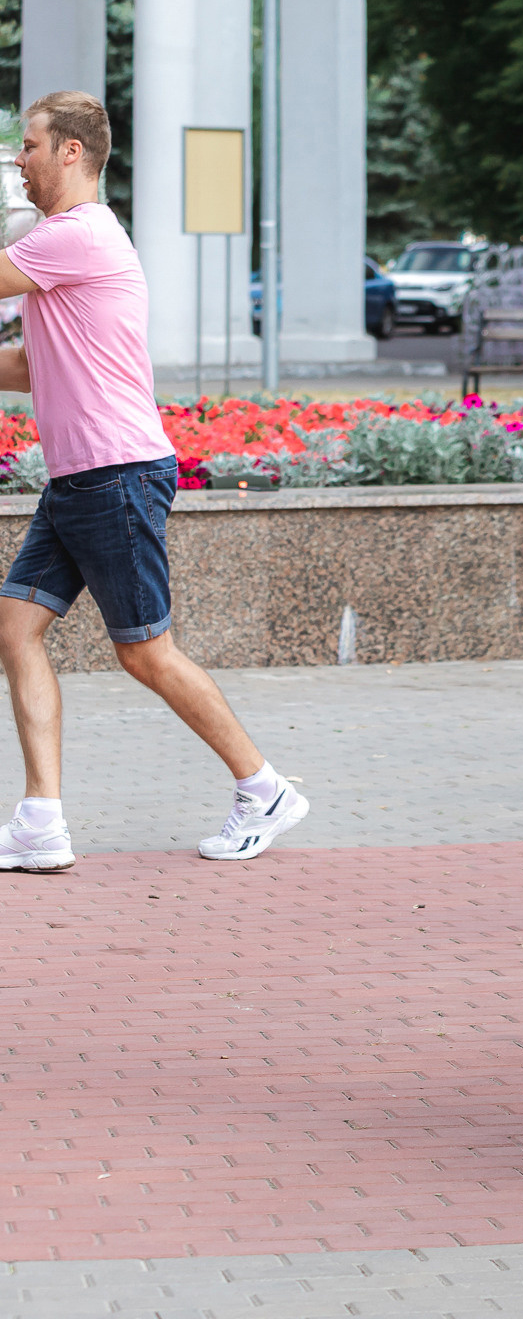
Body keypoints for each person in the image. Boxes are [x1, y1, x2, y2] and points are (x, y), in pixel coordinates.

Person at [0, 91, 304, 874]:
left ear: (72, 151)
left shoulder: (78, 234)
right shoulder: (59, 253)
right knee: (15, 627)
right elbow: (32, 367)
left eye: (29, 146)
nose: (19, 160)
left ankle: (263, 788)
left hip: (116, 475)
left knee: (146, 654)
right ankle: (41, 823)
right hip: (81, 480)